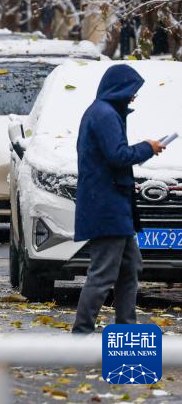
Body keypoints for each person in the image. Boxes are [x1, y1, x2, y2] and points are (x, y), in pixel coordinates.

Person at [72, 64, 165, 334]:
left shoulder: (105, 112)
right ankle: (81, 334)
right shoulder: (104, 114)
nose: (133, 97)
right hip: (107, 208)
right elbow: (118, 155)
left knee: (129, 269)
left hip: (116, 208)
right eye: (131, 91)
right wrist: (148, 147)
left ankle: (127, 328)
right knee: (102, 275)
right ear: (119, 89)